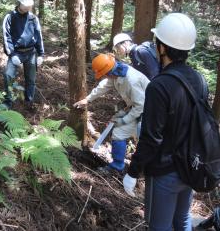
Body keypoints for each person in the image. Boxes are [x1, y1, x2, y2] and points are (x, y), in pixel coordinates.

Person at [123, 13, 201, 231]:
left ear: (163, 48)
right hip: (190, 166)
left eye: (157, 43)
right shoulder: (199, 80)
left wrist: (132, 172)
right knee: (183, 220)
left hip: (165, 171)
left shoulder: (159, 85)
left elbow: (151, 138)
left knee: (159, 227)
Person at [73, 53, 149, 172]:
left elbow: (141, 106)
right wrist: (87, 99)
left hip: (149, 112)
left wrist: (124, 119)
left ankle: (144, 170)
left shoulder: (132, 80)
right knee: (119, 133)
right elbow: (103, 87)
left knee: (144, 140)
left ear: (108, 72)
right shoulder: (115, 73)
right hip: (136, 109)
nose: (104, 77)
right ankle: (118, 166)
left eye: (104, 75)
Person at [2, 0, 44, 109]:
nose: (27, 7)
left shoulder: (33, 18)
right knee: (8, 75)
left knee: (31, 79)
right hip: (16, 54)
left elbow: (38, 36)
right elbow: (6, 37)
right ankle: (8, 102)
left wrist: (41, 54)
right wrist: (12, 54)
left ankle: (29, 101)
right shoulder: (10, 17)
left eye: (29, 5)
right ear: (19, 2)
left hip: (31, 53)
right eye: (25, 5)